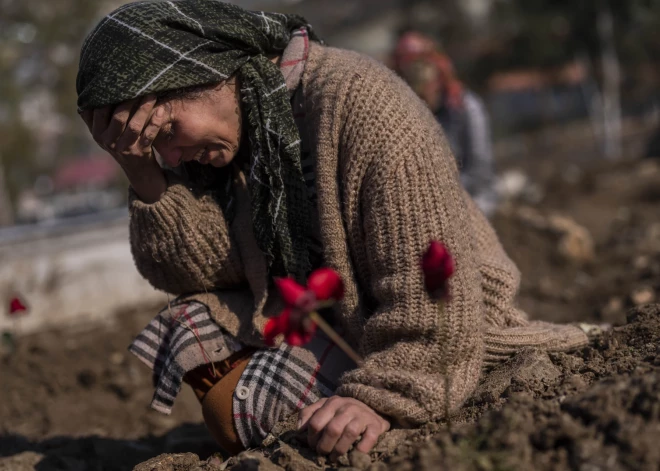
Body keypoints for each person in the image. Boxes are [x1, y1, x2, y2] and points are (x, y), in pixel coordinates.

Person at [77, 0, 588, 457]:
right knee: (192, 324)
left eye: (167, 132)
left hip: (445, 338)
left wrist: (385, 400)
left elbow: (437, 287)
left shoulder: (361, 102)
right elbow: (203, 270)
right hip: (342, 323)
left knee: (245, 416)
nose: (169, 155)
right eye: (152, 147)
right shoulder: (237, 138)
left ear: (208, 72)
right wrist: (141, 172)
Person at [392, 31, 498, 217]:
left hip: (475, 204)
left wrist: (435, 193)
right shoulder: (405, 117)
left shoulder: (466, 108)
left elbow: (479, 171)